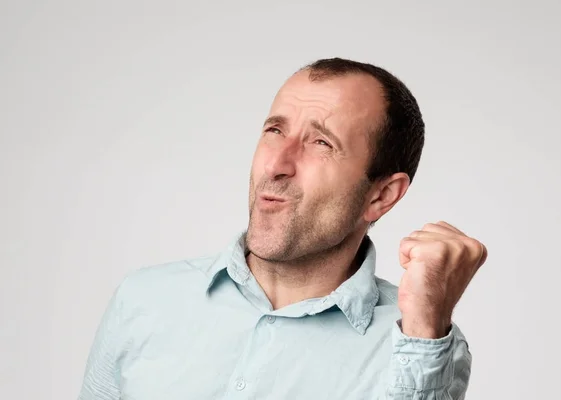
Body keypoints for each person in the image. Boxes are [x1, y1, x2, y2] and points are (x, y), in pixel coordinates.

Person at [78, 58, 487, 400]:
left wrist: (423, 331)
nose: (276, 165)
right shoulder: (143, 300)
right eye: (275, 131)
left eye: (321, 143)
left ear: (381, 196)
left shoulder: (423, 344)